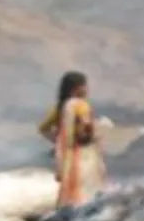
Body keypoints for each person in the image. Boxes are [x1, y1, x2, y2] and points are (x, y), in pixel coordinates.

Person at [39, 70, 106, 207]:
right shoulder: (80, 105)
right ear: (76, 88)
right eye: (84, 85)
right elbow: (87, 130)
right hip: (84, 155)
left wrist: (59, 141)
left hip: (68, 155)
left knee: (69, 188)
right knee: (87, 190)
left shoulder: (60, 108)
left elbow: (43, 128)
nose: (87, 89)